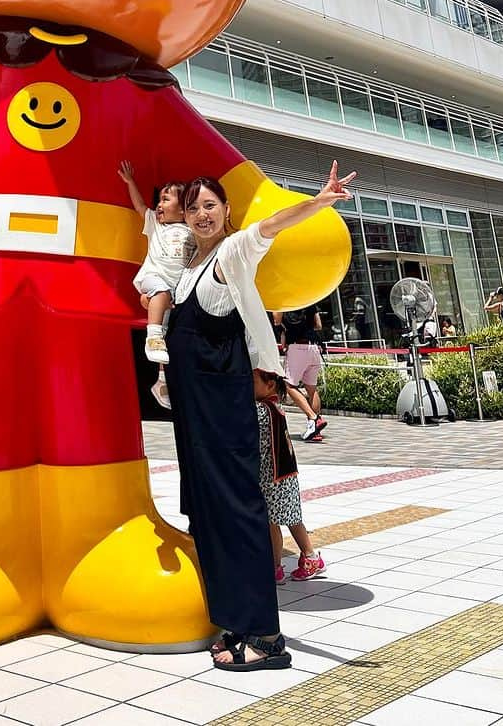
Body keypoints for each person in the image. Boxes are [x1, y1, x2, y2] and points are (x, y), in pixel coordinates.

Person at [166, 161, 355, 672]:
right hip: (194, 415)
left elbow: (270, 226)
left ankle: (267, 638)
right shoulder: (186, 270)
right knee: (208, 514)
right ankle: (234, 621)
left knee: (241, 511)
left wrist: (318, 202)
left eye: (210, 205)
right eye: (193, 207)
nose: (201, 214)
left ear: (226, 212)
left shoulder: (233, 251)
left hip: (226, 408)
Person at [117, 161, 195, 409]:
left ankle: (162, 379)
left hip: (176, 289)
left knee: (171, 332)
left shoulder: (192, 230)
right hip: (153, 277)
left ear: (184, 210)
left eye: (166, 200)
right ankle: (151, 336)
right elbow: (140, 206)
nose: (159, 205)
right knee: (160, 308)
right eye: (160, 200)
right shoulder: (156, 225)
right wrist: (131, 182)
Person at [254, 369, 326, 584]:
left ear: (270, 385)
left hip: (272, 476)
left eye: (253, 381)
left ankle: (288, 564)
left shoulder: (260, 410)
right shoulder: (276, 406)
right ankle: (298, 561)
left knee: (278, 521)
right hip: (283, 473)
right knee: (286, 520)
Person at [274, 306, 326, 441]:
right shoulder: (309, 301)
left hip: (296, 347)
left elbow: (276, 320)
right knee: (312, 389)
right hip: (313, 347)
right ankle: (315, 429)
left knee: (288, 385)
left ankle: (314, 419)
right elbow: (318, 325)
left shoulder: (286, 302)